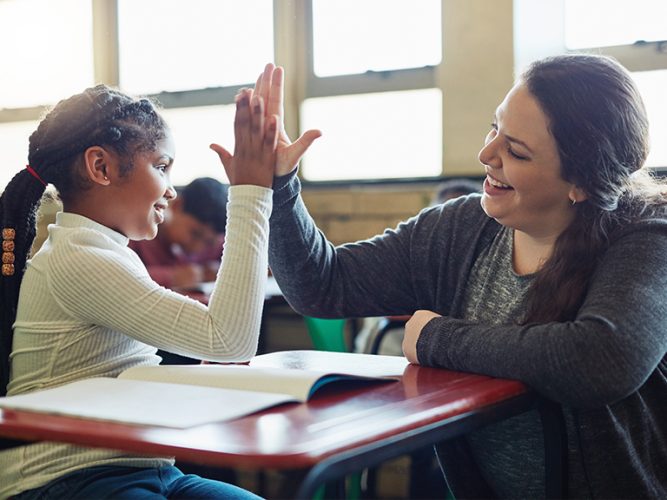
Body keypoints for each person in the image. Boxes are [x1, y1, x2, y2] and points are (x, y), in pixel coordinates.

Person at [249, 56, 667, 498]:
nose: (486, 155)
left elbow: (601, 360)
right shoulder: (459, 229)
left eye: (516, 151)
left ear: (581, 184)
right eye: (494, 129)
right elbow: (323, 285)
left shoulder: (647, 237)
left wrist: (435, 338)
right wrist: (279, 185)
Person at [0, 81, 313, 498]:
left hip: (146, 467)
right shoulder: (78, 259)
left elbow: (116, 371)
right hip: (65, 481)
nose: (171, 190)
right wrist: (251, 193)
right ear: (102, 167)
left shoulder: (102, 249)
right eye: (162, 166)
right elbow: (230, 339)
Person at [128, 177, 229, 290]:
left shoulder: (219, 241)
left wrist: (222, 270)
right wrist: (172, 277)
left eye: (209, 243)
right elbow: (119, 274)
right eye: (195, 234)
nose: (197, 247)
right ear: (177, 205)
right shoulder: (136, 231)